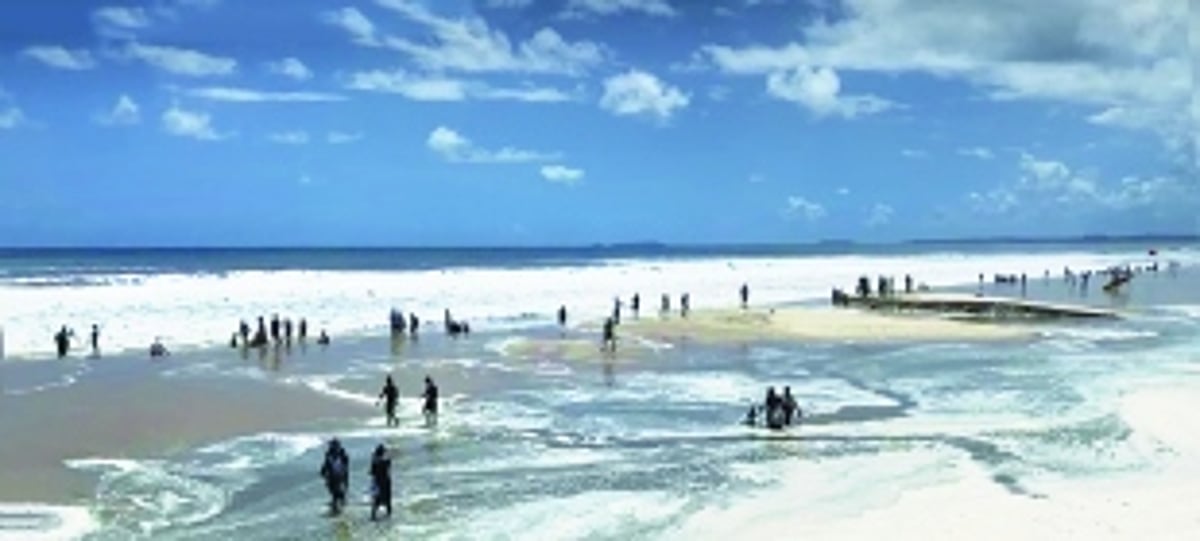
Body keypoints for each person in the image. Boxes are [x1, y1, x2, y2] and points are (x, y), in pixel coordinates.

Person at [319, 438, 349, 515]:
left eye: (333, 445)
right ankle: (337, 502)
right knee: (332, 489)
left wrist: (345, 477)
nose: (332, 447)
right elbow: (326, 464)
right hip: (331, 475)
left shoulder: (343, 454)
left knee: (337, 491)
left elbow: (345, 467)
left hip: (340, 475)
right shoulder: (329, 454)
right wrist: (323, 471)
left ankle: (337, 504)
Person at [369, 444, 393, 521]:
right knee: (387, 500)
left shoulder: (375, 462)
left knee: (376, 501)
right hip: (385, 482)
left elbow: (372, 472)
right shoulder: (385, 462)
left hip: (377, 482)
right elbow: (388, 463)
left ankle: (373, 517)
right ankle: (388, 516)